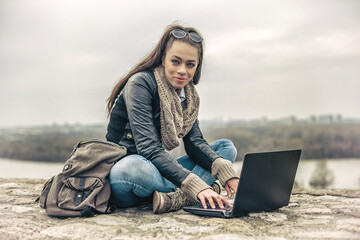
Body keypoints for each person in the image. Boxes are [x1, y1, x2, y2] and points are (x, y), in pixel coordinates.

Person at [106, 23, 239, 214]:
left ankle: (173, 198)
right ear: (163, 60)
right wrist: (197, 185)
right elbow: (148, 149)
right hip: (131, 172)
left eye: (190, 64)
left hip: (159, 170)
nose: (183, 70)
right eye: (176, 61)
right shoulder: (141, 83)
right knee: (130, 168)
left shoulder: (188, 96)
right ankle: (190, 193)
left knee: (225, 149)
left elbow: (194, 143)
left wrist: (227, 174)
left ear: (197, 66)